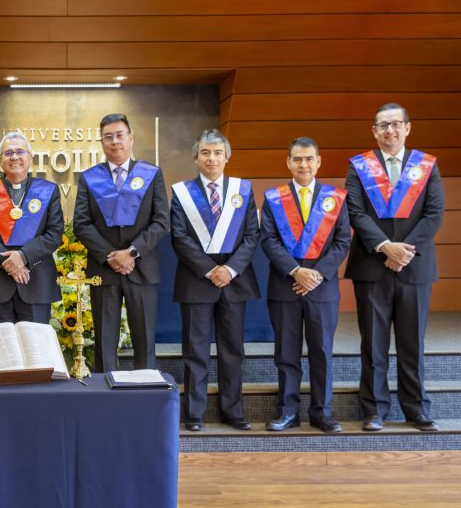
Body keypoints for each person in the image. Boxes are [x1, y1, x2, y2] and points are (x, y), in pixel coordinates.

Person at [345, 103, 445, 432]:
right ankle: (374, 409)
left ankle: (416, 408)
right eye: (383, 125)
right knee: (373, 342)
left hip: (415, 267)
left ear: (407, 128)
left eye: (395, 124)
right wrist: (385, 246)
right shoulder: (359, 166)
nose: (390, 130)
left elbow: (434, 214)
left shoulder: (426, 166)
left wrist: (403, 252)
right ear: (374, 131)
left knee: (412, 342)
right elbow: (355, 212)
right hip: (371, 266)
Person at [170, 129, 260, 431]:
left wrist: (229, 270)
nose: (212, 158)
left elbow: (251, 235)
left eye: (218, 153)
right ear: (196, 157)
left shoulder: (242, 190)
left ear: (227, 157)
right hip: (197, 281)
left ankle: (233, 411)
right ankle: (194, 414)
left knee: (232, 350)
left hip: (234, 281)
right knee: (195, 351)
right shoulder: (182, 193)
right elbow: (179, 237)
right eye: (206, 153)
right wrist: (211, 270)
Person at [260, 137, 351, 433]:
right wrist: (296, 271)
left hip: (322, 289)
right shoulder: (274, 198)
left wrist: (316, 274)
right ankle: (288, 412)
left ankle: (322, 413)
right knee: (286, 353)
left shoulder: (335, 198)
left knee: (321, 352)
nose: (303, 164)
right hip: (284, 286)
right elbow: (268, 241)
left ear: (318, 161)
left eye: (309, 158)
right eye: (297, 159)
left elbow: (342, 241)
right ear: (288, 162)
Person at [73, 113, 169, 372]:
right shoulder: (89, 177)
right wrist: (111, 256)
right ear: (101, 142)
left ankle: (145, 392)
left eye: (119, 135)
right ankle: (105, 393)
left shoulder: (151, 174)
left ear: (130, 138)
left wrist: (132, 252)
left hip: (142, 267)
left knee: (145, 340)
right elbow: (81, 224)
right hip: (104, 270)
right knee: (104, 342)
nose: (114, 141)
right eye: (108, 137)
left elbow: (161, 221)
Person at [0, 132, 64, 324]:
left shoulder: (48, 190)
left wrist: (23, 257)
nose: (14, 157)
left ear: (31, 157)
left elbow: (54, 233)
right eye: (8, 153)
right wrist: (9, 263)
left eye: (20, 152)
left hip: (36, 282)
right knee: (0, 343)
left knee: (35, 343)